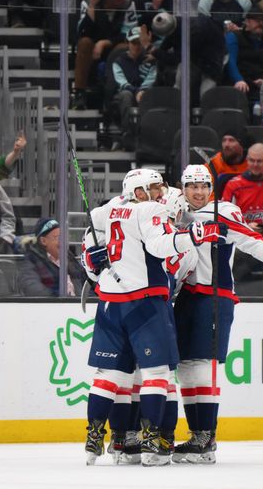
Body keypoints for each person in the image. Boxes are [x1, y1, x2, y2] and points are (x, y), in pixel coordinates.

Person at [81, 168, 223, 467]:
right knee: (158, 375)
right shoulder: (153, 213)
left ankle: (105, 439)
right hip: (147, 303)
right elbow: (163, 249)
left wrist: (90, 259)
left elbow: (92, 241)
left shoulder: (111, 210)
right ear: (141, 192)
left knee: (112, 376)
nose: (163, 196)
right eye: (156, 189)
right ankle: (153, 441)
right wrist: (192, 235)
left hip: (110, 302)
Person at [172, 164, 263, 464]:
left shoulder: (223, 212)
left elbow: (246, 237)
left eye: (203, 186)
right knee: (186, 367)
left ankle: (207, 436)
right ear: (183, 188)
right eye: (192, 186)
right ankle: (197, 434)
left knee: (204, 365)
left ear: (211, 188)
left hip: (214, 296)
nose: (198, 192)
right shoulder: (174, 211)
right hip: (185, 296)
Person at [72, 0, 138, 110]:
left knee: (125, 47)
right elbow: (83, 32)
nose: (123, 1)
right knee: (84, 43)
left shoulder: (128, 4)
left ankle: (112, 94)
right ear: (107, 2)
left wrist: (104, 43)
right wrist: (92, 6)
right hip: (93, 44)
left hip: (116, 44)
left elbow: (129, 34)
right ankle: (79, 92)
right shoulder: (88, 3)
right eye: (118, 0)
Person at [221, 143, 263, 237]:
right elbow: (224, 218)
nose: (255, 165)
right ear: (247, 160)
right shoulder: (234, 185)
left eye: (259, 161)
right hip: (244, 240)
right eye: (252, 160)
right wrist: (245, 227)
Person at [109, 26, 157, 149]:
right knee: (126, 94)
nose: (136, 46)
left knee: (149, 95)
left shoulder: (151, 60)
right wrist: (137, 91)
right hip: (122, 95)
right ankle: (127, 134)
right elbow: (121, 83)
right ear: (128, 43)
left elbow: (151, 80)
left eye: (139, 43)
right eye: (133, 43)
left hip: (145, 93)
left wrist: (142, 91)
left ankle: (147, 136)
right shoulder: (118, 61)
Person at [18, 218, 87, 297]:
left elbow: (86, 282)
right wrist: (59, 299)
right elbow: (31, 288)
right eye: (58, 237)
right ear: (43, 241)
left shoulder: (69, 257)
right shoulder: (32, 260)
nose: (63, 241)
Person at [225, 9, 263, 105]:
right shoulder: (234, 36)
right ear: (247, 22)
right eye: (257, 20)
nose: (260, 23)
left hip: (262, 86)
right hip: (241, 84)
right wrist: (238, 80)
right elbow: (230, 61)